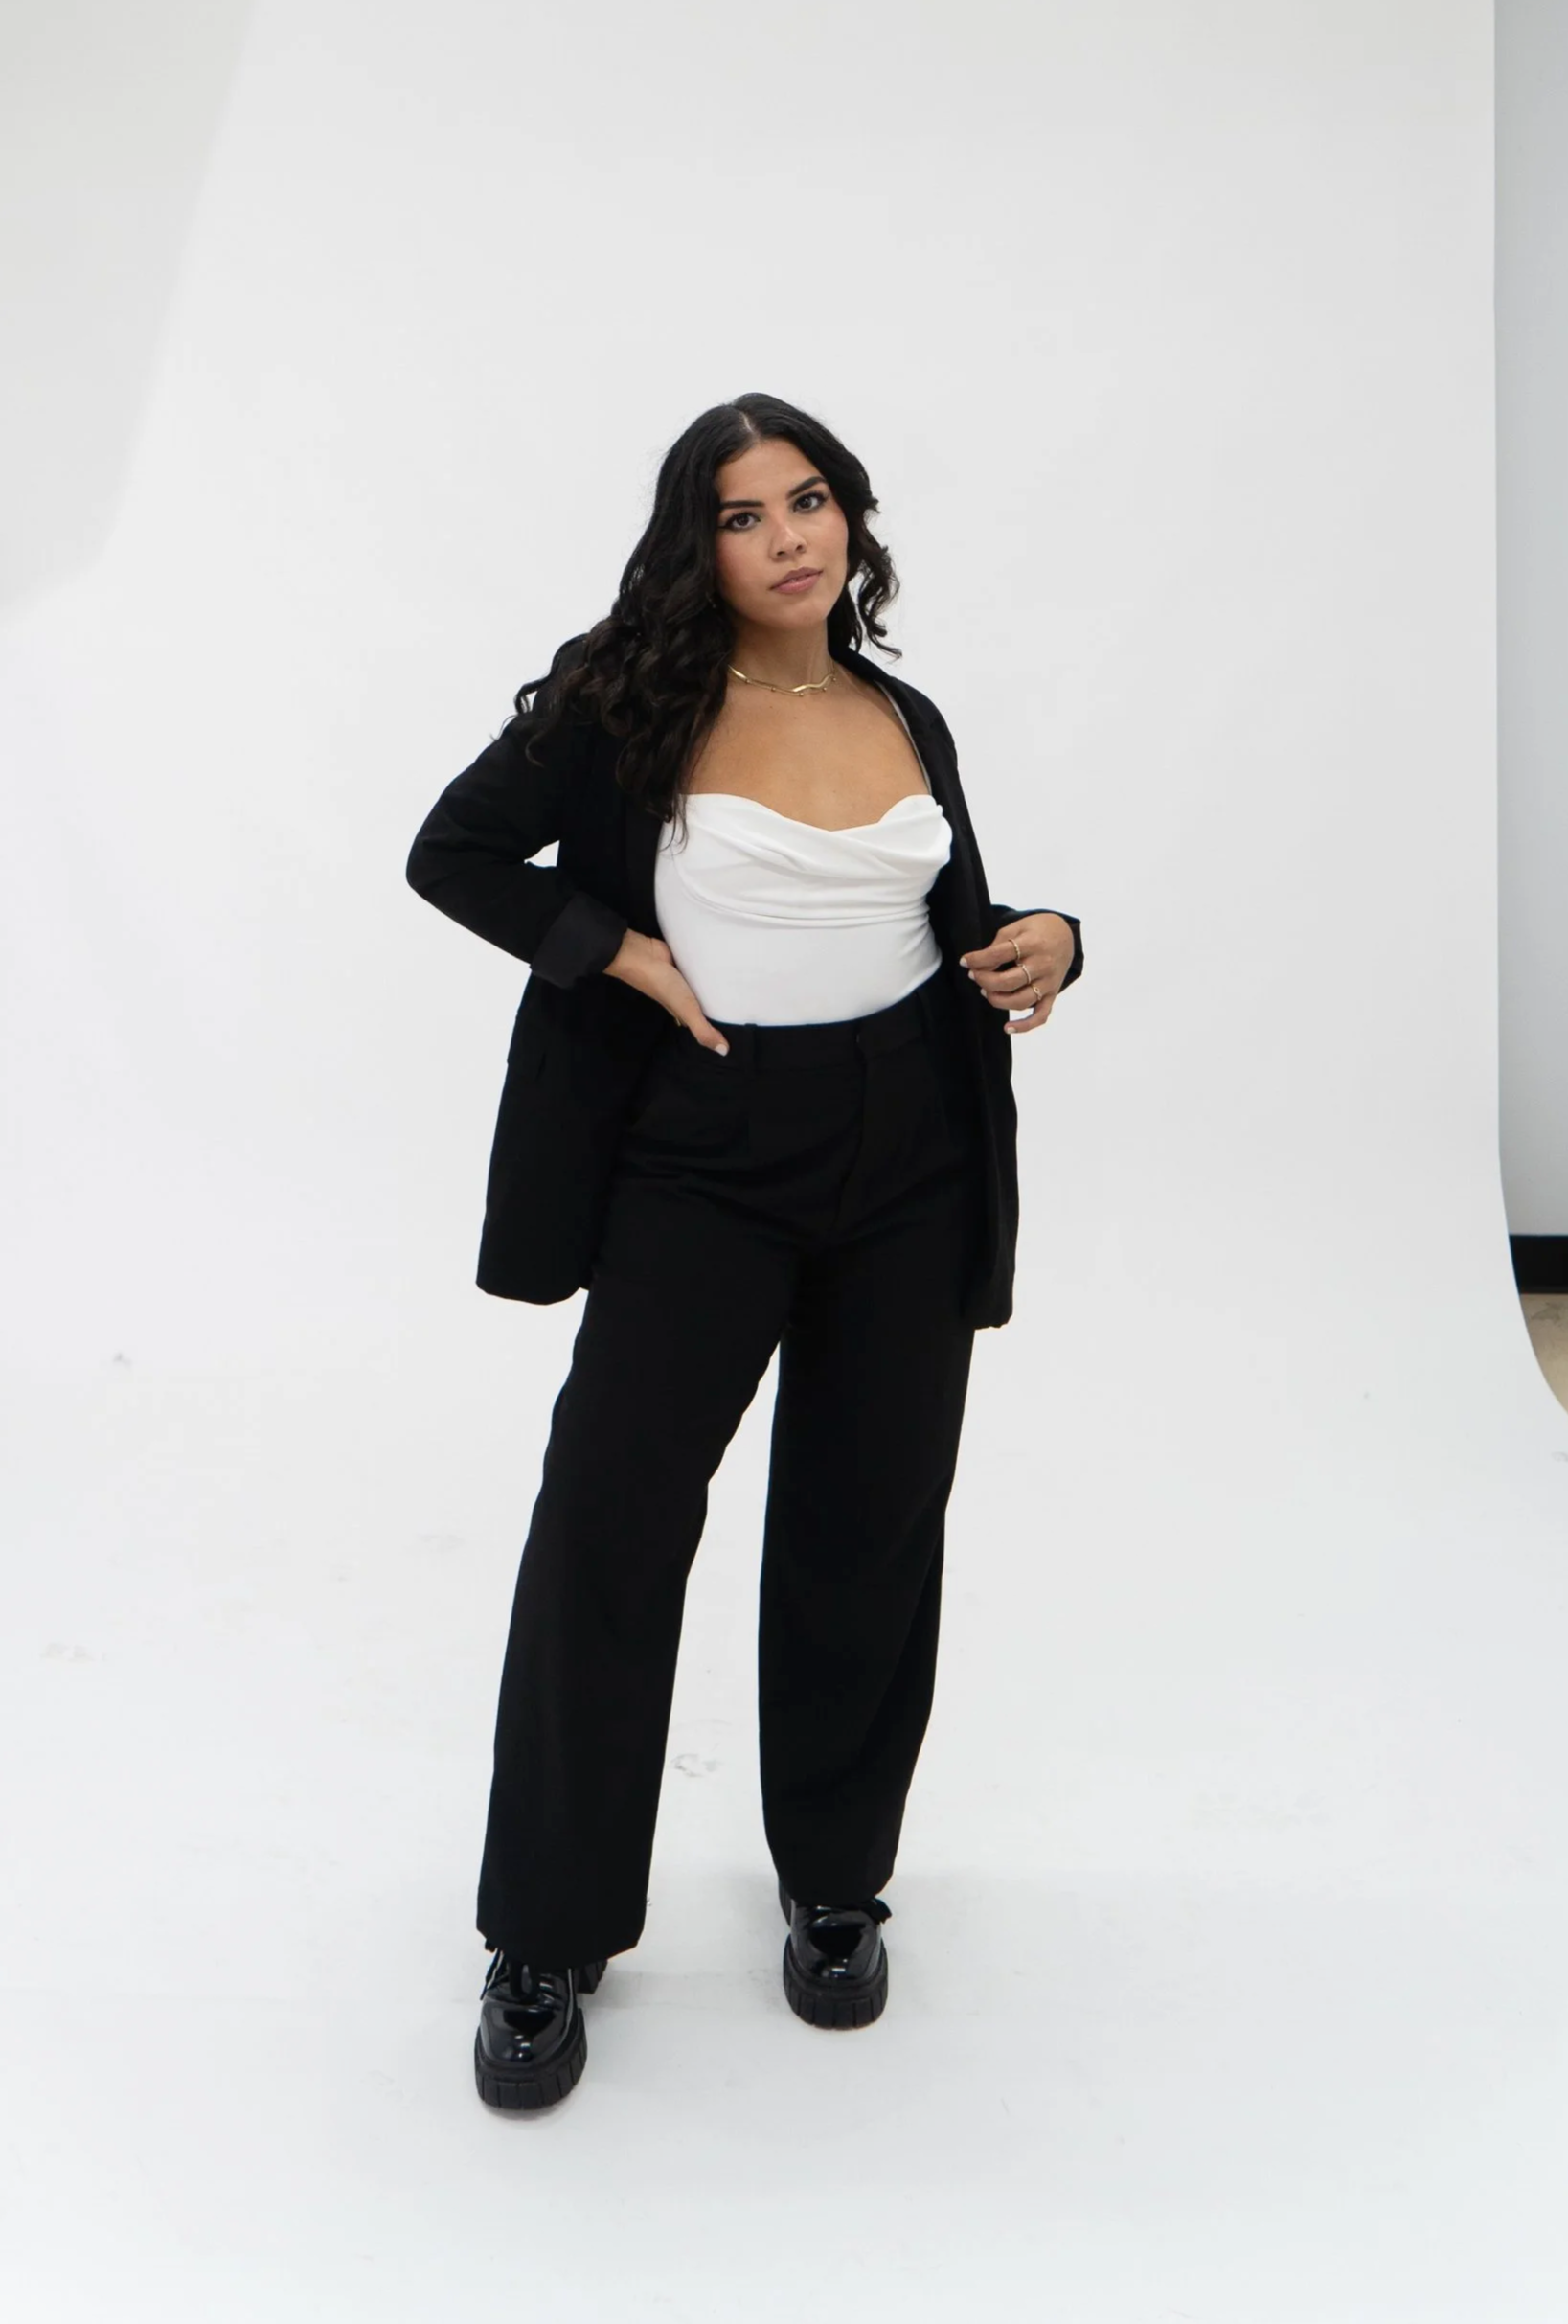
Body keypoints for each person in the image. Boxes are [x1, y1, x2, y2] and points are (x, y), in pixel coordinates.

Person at [406, 394, 1081, 2112]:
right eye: (742, 513)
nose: (789, 534)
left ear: (851, 516)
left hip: (912, 1148)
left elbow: (957, 921)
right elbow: (454, 849)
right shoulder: (627, 702)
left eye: (812, 499)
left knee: (870, 1524)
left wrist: (1050, 941)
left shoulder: (901, 708)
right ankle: (546, 1934)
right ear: (692, 544)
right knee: (611, 1526)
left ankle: (838, 1884)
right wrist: (613, 948)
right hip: (701, 1155)